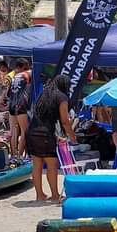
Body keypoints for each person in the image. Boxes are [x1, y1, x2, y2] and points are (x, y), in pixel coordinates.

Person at [26, 74, 77, 202]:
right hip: (45, 134)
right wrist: (73, 137)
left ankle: (40, 195)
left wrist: (55, 135)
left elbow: (42, 118)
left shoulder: (44, 94)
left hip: (32, 132)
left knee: (37, 165)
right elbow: (65, 121)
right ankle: (54, 195)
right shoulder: (62, 97)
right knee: (52, 164)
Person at [8, 58, 33, 158]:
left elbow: (8, 94)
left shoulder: (14, 77)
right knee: (24, 132)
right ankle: (19, 156)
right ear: (24, 66)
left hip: (11, 105)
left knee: (13, 131)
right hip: (21, 106)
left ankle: (13, 155)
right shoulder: (28, 74)